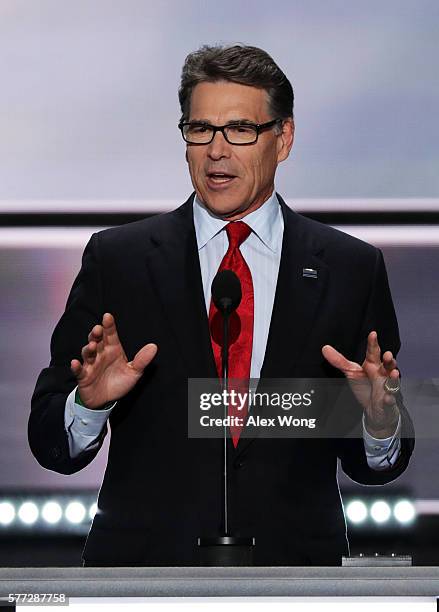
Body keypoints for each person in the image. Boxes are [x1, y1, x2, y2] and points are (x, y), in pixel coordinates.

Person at [29, 44, 414, 566]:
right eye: (200, 129)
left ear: (283, 140)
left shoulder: (350, 268)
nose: (216, 150)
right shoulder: (119, 260)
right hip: (144, 575)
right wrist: (87, 405)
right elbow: (50, 440)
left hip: (296, 576)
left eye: (240, 130)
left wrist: (378, 422)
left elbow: (376, 466)